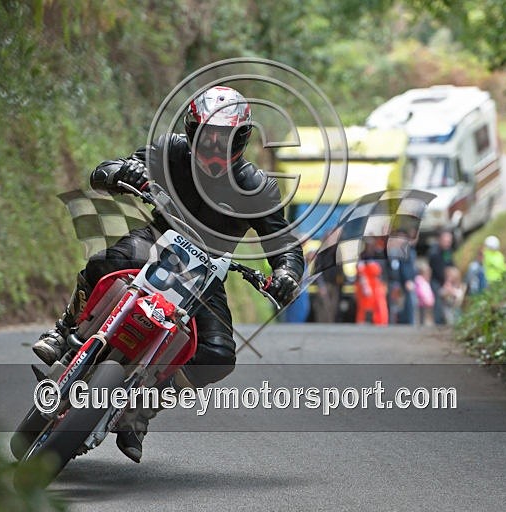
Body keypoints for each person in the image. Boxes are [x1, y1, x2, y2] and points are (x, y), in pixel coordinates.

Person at [33, 86, 305, 463]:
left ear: (242, 139)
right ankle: (65, 330)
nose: (214, 146)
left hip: (207, 272)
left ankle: (144, 405)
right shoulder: (169, 150)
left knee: (218, 354)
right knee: (103, 264)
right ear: (192, 131)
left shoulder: (257, 187)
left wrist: (287, 271)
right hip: (157, 239)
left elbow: (283, 243)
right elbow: (106, 171)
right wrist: (124, 171)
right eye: (207, 136)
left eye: (224, 138)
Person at [427, 230, 455, 325]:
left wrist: (450, 281)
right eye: (446, 241)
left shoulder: (448, 251)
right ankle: (438, 323)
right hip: (437, 281)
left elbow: (451, 264)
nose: (448, 243)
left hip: (447, 280)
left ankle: (445, 322)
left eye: (449, 241)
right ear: (440, 240)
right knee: (438, 303)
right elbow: (438, 270)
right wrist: (446, 282)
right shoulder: (434, 252)